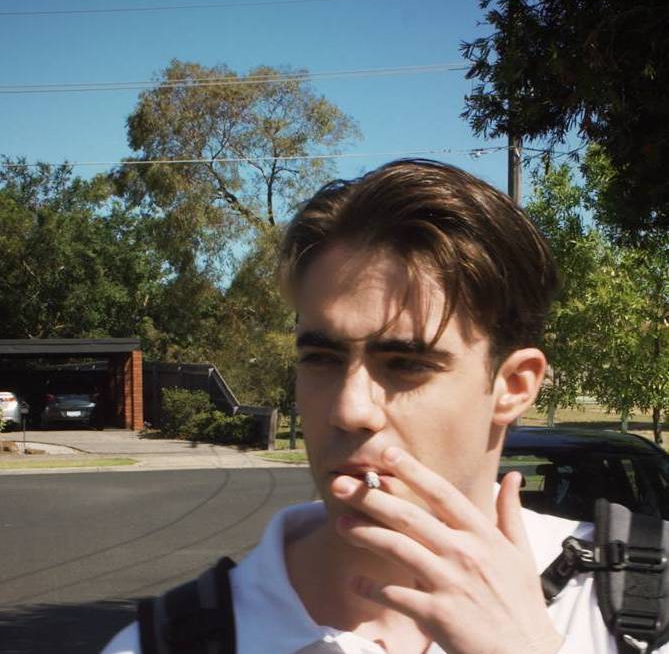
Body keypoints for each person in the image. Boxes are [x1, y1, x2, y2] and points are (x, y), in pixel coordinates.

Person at [102, 159, 664, 654]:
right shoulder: (163, 643)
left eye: (405, 364)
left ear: (514, 386)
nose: (349, 410)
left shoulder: (643, 602)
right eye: (321, 358)